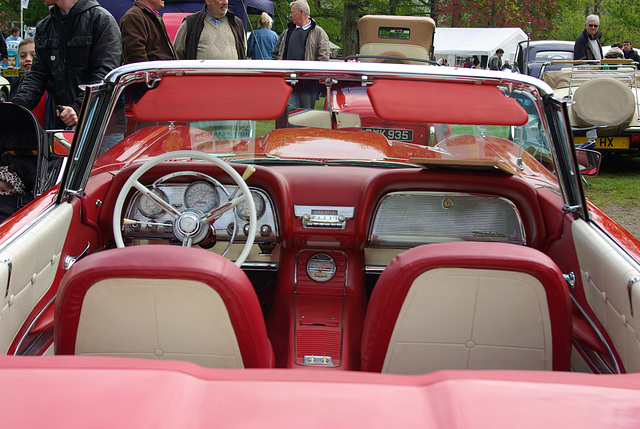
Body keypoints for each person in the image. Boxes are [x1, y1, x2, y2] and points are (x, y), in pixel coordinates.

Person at [12, 0, 122, 130]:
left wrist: (78, 107)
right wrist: (16, 106)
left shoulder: (101, 20)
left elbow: (106, 74)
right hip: (62, 125)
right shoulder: (44, 26)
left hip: (102, 126)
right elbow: (37, 75)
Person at [276, 0, 329, 122]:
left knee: (306, 117)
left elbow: (323, 60)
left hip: (308, 86)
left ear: (301, 12)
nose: (290, 15)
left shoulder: (319, 33)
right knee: (290, 115)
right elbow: (279, 54)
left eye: (292, 12)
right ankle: (290, 140)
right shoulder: (287, 32)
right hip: (288, 84)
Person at [173, 0, 246, 60]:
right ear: (208, 1)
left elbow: (244, 52)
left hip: (232, 77)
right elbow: (176, 54)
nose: (225, 2)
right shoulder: (190, 24)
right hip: (199, 77)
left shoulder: (237, 23)